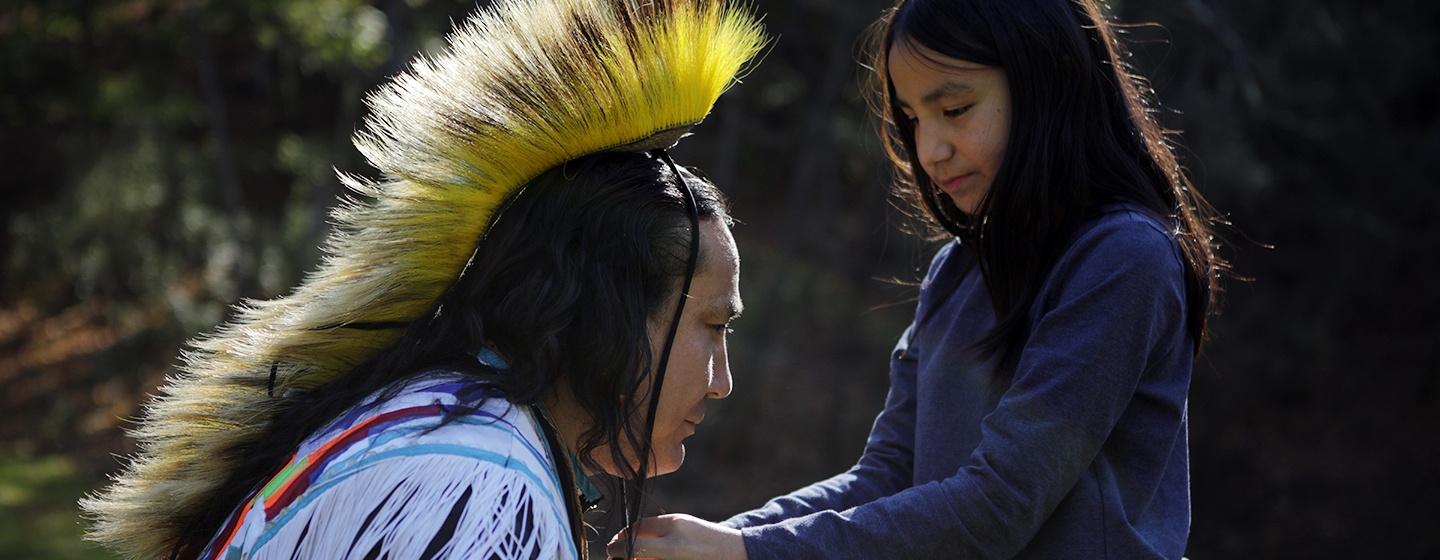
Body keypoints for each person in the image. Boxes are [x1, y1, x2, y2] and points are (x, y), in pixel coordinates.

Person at [79, 0, 763, 558]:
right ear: (606, 308)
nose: (722, 380)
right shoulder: (475, 488)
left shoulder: (447, 435)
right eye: (711, 326)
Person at [610, 0, 1227, 558]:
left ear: (1049, 84)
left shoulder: (1123, 259)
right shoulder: (958, 271)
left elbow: (999, 506)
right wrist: (732, 540)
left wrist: (750, 555)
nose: (930, 150)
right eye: (912, 120)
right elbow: (888, 475)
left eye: (954, 109)